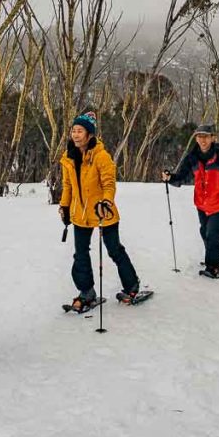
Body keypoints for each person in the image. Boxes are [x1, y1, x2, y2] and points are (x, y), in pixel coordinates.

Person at [59, 111, 148, 311]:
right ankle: (87, 292)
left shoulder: (101, 156)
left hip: (102, 213)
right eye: (73, 131)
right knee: (80, 254)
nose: (75, 135)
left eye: (80, 131)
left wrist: (106, 202)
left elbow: (109, 184)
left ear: (90, 134)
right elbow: (68, 185)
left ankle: (131, 285)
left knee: (114, 250)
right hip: (80, 215)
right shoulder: (69, 157)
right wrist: (64, 206)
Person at [162, 124, 219, 279]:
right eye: (199, 136)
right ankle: (218, 255)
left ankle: (213, 267)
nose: (203, 140)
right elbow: (183, 176)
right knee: (204, 232)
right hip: (202, 204)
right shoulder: (192, 158)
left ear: (212, 138)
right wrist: (170, 178)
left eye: (206, 136)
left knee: (213, 234)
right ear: (196, 138)